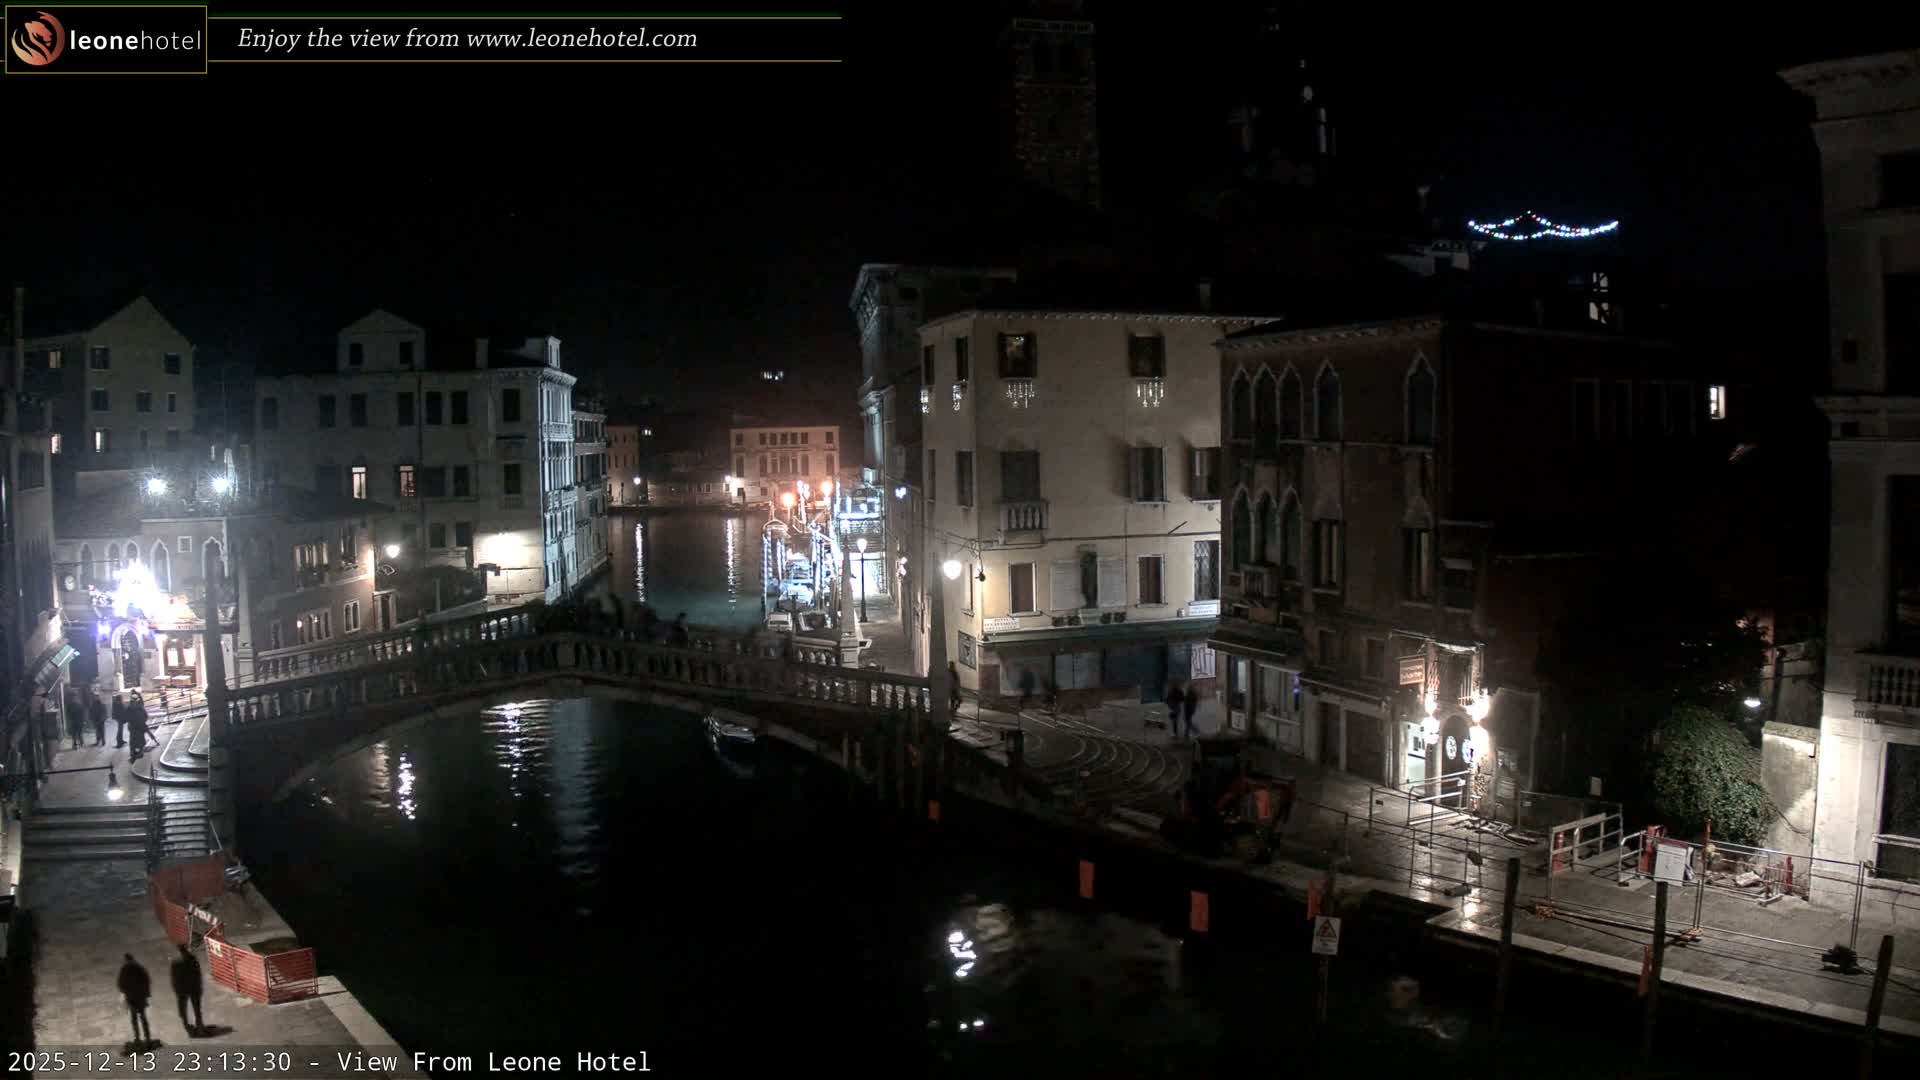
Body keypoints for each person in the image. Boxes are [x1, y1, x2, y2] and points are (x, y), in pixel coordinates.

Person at [118, 952, 154, 1046]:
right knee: (143, 1017)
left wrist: (125, 991)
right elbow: (147, 980)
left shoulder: (124, 969)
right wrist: (146, 994)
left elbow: (120, 984)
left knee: (134, 1018)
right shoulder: (139, 967)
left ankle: (137, 1038)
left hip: (131, 998)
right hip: (141, 997)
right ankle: (148, 1037)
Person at [171, 943, 204, 1035]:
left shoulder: (176, 963)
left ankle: (186, 1025)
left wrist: (176, 989)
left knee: (183, 1009)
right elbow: (198, 974)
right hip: (194, 987)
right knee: (197, 1008)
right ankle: (199, 1026)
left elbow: (174, 978)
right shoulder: (193, 959)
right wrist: (199, 986)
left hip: (182, 989)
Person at [127, 693, 150, 761]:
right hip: (137, 728)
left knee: (135, 743)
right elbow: (145, 716)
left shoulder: (130, 708)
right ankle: (136, 756)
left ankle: (135, 756)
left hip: (135, 728)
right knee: (137, 743)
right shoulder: (140, 708)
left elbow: (145, 716)